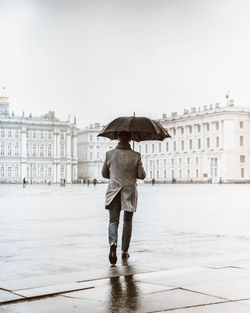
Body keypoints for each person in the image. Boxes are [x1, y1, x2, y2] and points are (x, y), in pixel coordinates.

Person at [102, 131, 146, 265]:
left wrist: (115, 175)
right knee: (127, 221)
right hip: (129, 192)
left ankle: (113, 244)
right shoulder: (136, 156)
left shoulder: (109, 154)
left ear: (118, 138)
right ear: (130, 138)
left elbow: (104, 174)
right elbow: (142, 175)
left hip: (114, 191)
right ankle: (124, 251)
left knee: (113, 221)